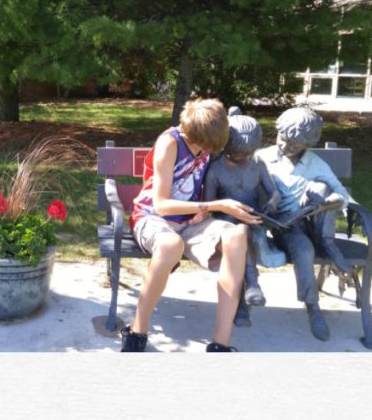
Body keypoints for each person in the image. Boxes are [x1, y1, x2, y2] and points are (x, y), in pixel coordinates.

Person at [122, 98, 260, 352]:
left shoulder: (207, 140)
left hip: (191, 221)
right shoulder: (170, 142)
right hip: (153, 218)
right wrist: (215, 206)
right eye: (204, 145)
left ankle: (220, 343)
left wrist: (206, 211)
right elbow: (162, 204)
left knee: (237, 235)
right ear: (191, 132)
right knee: (170, 245)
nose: (208, 151)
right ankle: (136, 332)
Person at [256, 107, 350, 341]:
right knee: (240, 240)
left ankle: (312, 307)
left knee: (304, 249)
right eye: (281, 138)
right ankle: (243, 299)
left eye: (293, 145)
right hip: (257, 219)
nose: (284, 146)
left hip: (291, 226)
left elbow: (342, 195)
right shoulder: (261, 156)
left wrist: (324, 204)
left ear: (306, 145)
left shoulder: (315, 165)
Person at [202, 107, 284, 327]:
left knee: (246, 232)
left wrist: (271, 203)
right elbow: (210, 207)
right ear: (227, 147)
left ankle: (242, 305)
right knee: (239, 234)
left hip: (254, 220)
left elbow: (273, 191)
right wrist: (228, 212)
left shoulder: (257, 164)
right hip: (224, 223)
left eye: (248, 154)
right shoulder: (216, 170)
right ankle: (252, 285)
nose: (244, 158)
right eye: (239, 154)